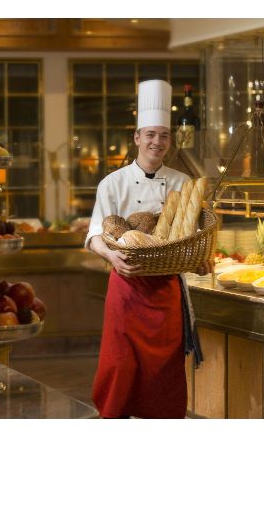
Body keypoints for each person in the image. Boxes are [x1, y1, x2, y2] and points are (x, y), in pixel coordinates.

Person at [85, 79, 208, 419]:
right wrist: (112, 256)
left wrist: (199, 260)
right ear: (137, 137)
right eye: (151, 135)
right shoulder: (112, 183)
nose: (157, 142)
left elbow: (192, 236)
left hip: (166, 290)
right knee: (119, 364)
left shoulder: (183, 183)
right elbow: (95, 234)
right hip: (126, 286)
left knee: (163, 371)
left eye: (164, 136)